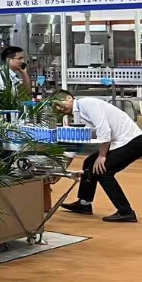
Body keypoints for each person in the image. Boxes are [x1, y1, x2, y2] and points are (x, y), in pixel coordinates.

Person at [52, 91, 141, 223]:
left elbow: (105, 130)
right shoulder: (71, 117)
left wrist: (102, 156)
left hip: (132, 140)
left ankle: (126, 211)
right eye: (55, 106)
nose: (59, 108)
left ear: (69, 98)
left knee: (103, 170)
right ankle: (84, 203)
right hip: (117, 142)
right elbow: (75, 143)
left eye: (59, 103)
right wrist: (60, 170)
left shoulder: (88, 104)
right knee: (89, 163)